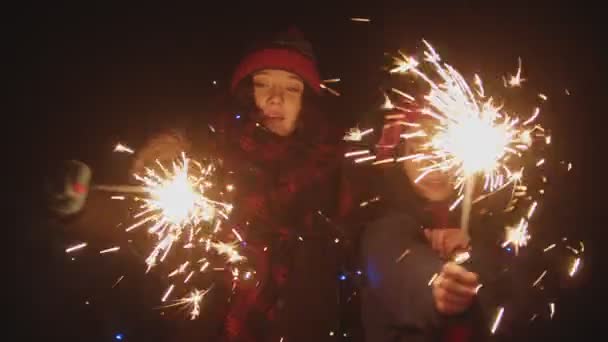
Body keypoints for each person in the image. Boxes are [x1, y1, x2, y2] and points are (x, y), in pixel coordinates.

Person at [131, 27, 354, 341]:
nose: (276, 98)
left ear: (307, 103)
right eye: (263, 83)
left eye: (291, 89)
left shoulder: (332, 174)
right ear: (247, 93)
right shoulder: (209, 160)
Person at [359, 108, 488, 342]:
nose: (434, 165)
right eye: (418, 150)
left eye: (445, 149)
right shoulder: (384, 224)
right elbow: (402, 271)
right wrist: (438, 287)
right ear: (401, 158)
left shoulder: (489, 224)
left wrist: (473, 255)